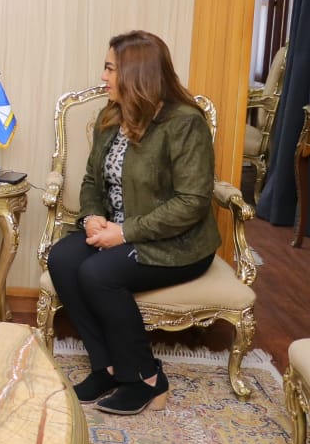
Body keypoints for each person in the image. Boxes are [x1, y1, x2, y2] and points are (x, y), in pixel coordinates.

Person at [47, 30, 220, 416]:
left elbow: (192, 203)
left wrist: (124, 232)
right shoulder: (111, 116)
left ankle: (146, 378)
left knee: (97, 274)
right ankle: (106, 368)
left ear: (136, 74)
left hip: (176, 242)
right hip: (116, 230)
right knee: (62, 258)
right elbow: (92, 181)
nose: (103, 76)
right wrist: (93, 217)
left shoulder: (184, 123)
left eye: (111, 68)